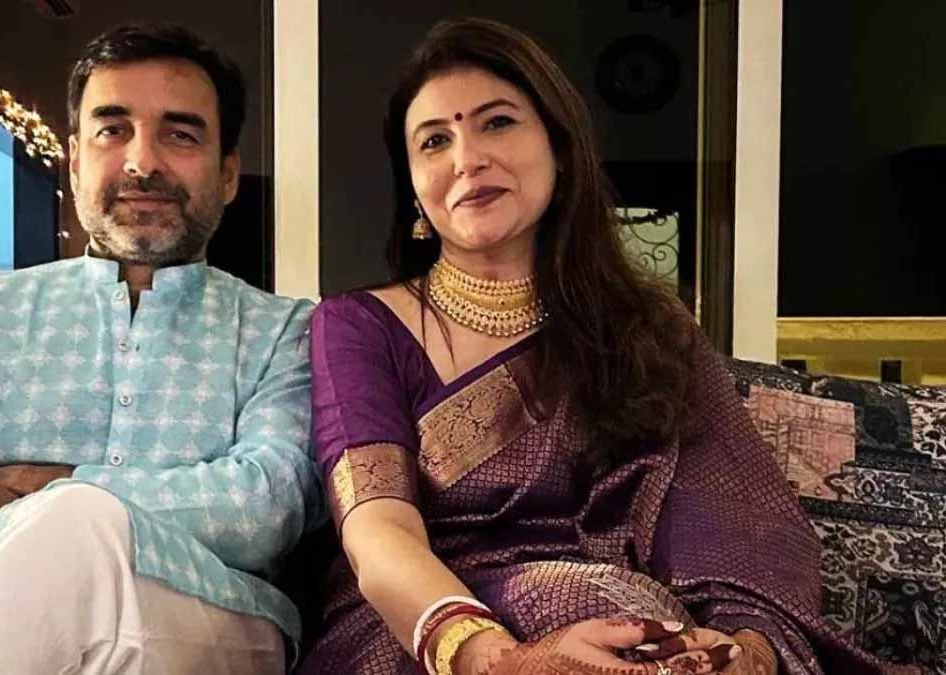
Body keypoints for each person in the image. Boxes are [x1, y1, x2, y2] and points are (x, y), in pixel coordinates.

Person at [298, 17, 915, 675]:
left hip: (636, 622)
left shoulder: (647, 329)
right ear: (414, 189)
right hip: (420, 630)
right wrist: (497, 658)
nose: (467, 158)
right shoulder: (359, 326)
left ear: (560, 148)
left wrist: (747, 649)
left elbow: (738, 527)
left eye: (497, 122)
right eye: (434, 141)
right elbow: (377, 530)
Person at [0, 23, 317, 675]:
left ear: (227, 174)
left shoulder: (286, 331)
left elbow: (264, 507)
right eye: (113, 130)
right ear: (74, 160)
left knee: (74, 516)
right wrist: (61, 534)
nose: (142, 162)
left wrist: (63, 491)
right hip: (15, 643)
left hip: (218, 623)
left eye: (180, 135)